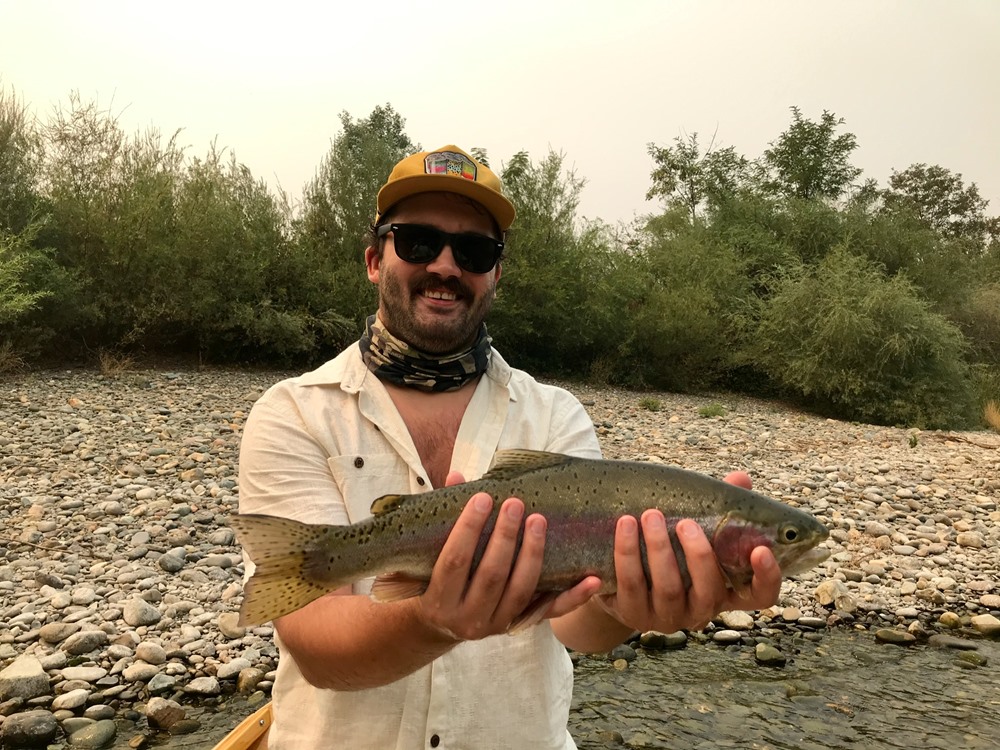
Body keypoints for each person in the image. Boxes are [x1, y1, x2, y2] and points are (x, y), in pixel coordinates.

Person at [237, 145, 782, 749]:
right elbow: (318, 651)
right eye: (418, 242)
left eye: (474, 251)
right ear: (373, 259)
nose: (446, 265)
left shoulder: (554, 415)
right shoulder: (294, 413)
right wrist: (430, 620)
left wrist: (631, 608)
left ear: (495, 272)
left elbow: (578, 623)